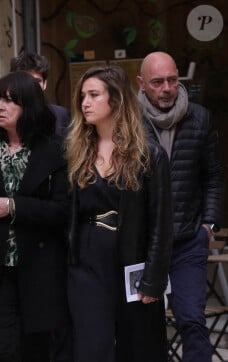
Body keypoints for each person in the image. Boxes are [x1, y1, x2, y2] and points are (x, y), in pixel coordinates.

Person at [0, 71, 69, 361]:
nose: (0, 107)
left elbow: (63, 209)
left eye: (10, 101)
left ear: (29, 107)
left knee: (35, 350)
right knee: (0, 348)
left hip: (39, 265)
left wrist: (14, 206)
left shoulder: (55, 149)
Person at [65, 65, 172, 362]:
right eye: (83, 96)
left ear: (116, 100)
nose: (85, 102)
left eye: (94, 95)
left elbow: (161, 223)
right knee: (91, 346)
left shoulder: (147, 153)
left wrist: (154, 278)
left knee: (137, 347)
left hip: (131, 260)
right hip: (85, 263)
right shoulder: (76, 150)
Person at [137, 51, 224, 362]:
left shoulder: (199, 117)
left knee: (192, 319)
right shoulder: (128, 120)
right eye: (157, 82)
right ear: (142, 84)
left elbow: (213, 176)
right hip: (142, 244)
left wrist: (209, 225)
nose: (166, 88)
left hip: (188, 239)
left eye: (172, 80)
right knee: (144, 325)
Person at [10, 51, 71, 137]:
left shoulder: (60, 115)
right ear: (13, 83)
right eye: (26, 80)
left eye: (37, 81)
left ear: (45, 84)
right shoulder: (5, 115)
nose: (32, 86)